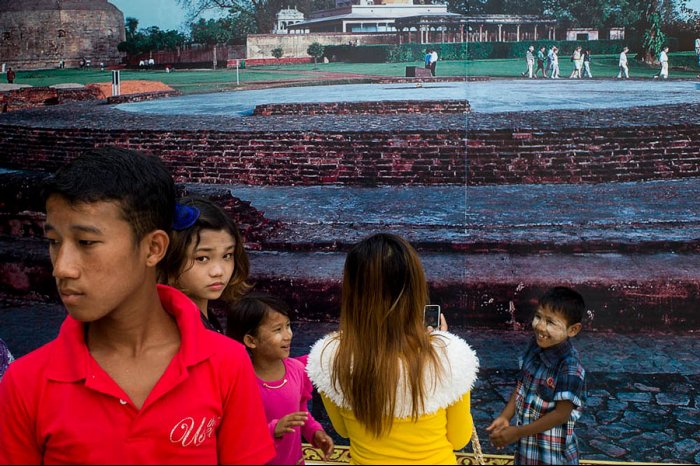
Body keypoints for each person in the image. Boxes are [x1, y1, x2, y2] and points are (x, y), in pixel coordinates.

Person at [0, 147, 275, 464]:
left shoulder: (226, 364)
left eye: (86, 243)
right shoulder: (26, 383)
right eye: (54, 242)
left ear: (153, 248)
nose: (62, 267)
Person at [306, 233, 479, 464]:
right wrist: (441, 343)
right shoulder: (451, 356)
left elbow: (343, 430)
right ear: (415, 287)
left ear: (353, 290)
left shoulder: (328, 356)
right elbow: (459, 438)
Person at [227, 292, 335, 464]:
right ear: (251, 340)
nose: (288, 335)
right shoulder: (240, 382)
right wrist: (273, 430)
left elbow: (301, 414)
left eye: (288, 326)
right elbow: (237, 435)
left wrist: (315, 432)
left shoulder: (297, 370)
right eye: (278, 330)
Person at [487, 286, 586, 465]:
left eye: (550, 322)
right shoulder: (534, 348)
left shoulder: (569, 367)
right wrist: (505, 416)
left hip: (553, 457)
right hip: (527, 454)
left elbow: (561, 415)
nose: (540, 326)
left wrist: (518, 432)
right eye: (538, 317)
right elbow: (521, 386)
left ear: (573, 330)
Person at [159, 196, 251, 334]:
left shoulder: (204, 317)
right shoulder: (173, 332)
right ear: (171, 258)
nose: (218, 271)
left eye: (227, 256)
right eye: (202, 258)